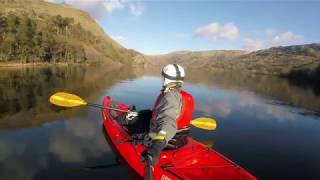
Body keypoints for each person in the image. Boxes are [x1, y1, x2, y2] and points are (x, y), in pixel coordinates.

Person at [125, 64, 195, 165]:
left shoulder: (169, 98)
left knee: (131, 127)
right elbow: (165, 114)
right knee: (145, 114)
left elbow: (168, 122)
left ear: (168, 79)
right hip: (178, 138)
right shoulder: (178, 94)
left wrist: (156, 147)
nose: (161, 79)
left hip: (160, 139)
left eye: (164, 77)